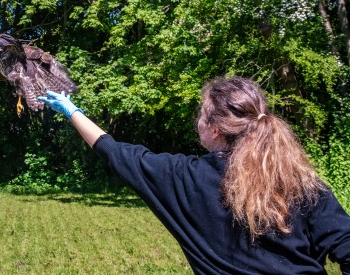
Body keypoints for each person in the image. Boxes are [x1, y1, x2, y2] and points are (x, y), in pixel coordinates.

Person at [38, 77, 350, 275]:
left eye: (201, 114)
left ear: (214, 129)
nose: (197, 121)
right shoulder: (303, 183)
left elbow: (116, 153)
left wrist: (71, 112)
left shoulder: (185, 178)